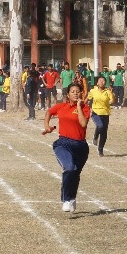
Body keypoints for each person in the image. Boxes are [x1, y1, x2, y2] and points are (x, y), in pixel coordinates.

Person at [42, 82, 91, 214]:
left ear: (81, 93)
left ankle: (72, 197)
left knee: (75, 174)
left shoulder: (85, 108)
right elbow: (49, 112)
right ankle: (66, 199)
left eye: (78, 91)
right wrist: (47, 125)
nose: (75, 93)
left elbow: (83, 123)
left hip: (80, 146)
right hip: (63, 144)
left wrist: (80, 107)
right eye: (72, 91)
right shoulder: (61, 107)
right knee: (69, 168)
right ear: (67, 94)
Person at [87, 76, 113, 156]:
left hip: (105, 113)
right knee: (100, 126)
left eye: (103, 81)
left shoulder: (107, 91)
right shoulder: (93, 91)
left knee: (104, 133)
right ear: (97, 83)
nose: (102, 82)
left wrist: (111, 98)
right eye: (100, 81)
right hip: (95, 112)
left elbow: (112, 100)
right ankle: (95, 137)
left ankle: (100, 149)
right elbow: (87, 99)